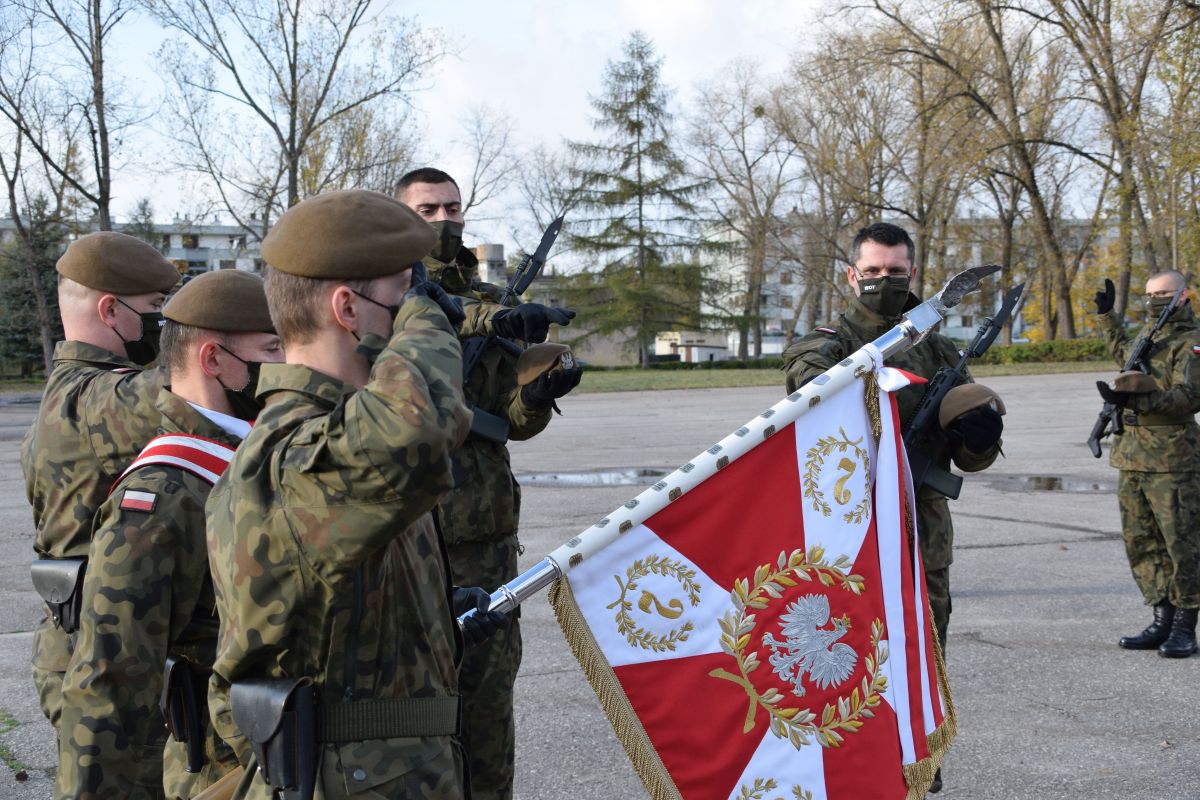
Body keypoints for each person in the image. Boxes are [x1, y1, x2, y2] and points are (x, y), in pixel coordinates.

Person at [205, 189, 506, 800]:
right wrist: (426, 318)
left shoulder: (339, 440)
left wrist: (430, 622)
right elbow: (416, 429)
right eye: (400, 296)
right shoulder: (296, 453)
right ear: (347, 308)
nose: (412, 317)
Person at [782, 222, 1004, 795]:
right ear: (852, 275)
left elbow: (972, 460)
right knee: (846, 663)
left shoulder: (941, 348)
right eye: (874, 272)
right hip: (847, 537)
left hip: (921, 535)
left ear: (912, 273)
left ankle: (921, 767)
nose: (885, 282)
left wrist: (978, 434)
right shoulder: (826, 342)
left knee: (925, 661)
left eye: (896, 272)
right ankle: (857, 772)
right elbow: (809, 395)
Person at [55, 270, 282, 800]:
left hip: (277, 759)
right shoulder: (162, 494)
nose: (287, 365)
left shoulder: (262, 454)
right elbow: (109, 683)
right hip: (218, 772)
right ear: (213, 360)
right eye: (273, 348)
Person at [397, 167, 582, 799]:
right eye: (426, 210)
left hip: (487, 540)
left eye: (452, 208)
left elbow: (507, 422)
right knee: (411, 717)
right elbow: (423, 320)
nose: (443, 220)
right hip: (409, 540)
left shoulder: (492, 302)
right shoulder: (389, 292)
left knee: (487, 715)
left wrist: (538, 393)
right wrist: (492, 319)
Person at [23, 231, 180, 736]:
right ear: (111, 311)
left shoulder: (72, 390)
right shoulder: (100, 400)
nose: (168, 319)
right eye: (158, 306)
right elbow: (200, 384)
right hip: (105, 667)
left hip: (89, 651)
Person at [1094, 271, 1200, 658]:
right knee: (1142, 542)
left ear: (1184, 295)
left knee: (1181, 544)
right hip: (1132, 454)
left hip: (1173, 457)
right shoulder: (1149, 334)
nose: (1155, 299)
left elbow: (1190, 396)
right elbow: (1126, 354)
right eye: (1150, 293)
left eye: (1164, 293)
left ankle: (1186, 625)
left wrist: (1138, 401)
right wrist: (1108, 317)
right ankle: (1161, 620)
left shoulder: (1191, 342)